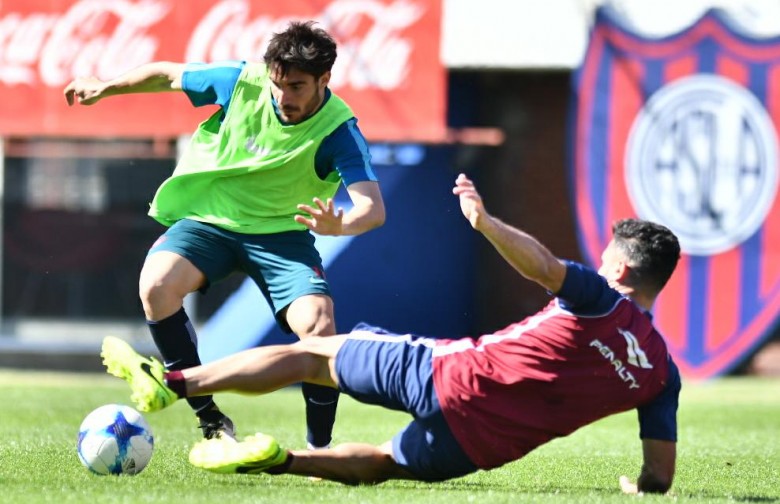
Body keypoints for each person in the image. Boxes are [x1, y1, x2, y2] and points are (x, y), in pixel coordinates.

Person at [102, 173, 681, 494]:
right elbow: (659, 473)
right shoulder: (661, 373)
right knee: (383, 462)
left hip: (448, 375)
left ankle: (173, 381)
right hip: (487, 445)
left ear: (621, 271)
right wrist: (639, 488)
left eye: (605, 258)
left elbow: (540, 266)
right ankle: (283, 461)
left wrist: (484, 223)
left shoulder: (600, 297)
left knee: (313, 355)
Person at [64, 21, 385, 448]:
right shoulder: (240, 82)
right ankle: (211, 420)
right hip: (209, 222)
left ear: (325, 79)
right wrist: (106, 86)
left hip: (282, 237)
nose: (283, 97)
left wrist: (340, 225)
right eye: (277, 84)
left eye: (296, 86)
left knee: (320, 329)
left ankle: (320, 451)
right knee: (156, 286)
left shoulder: (339, 130)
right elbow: (167, 74)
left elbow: (372, 209)